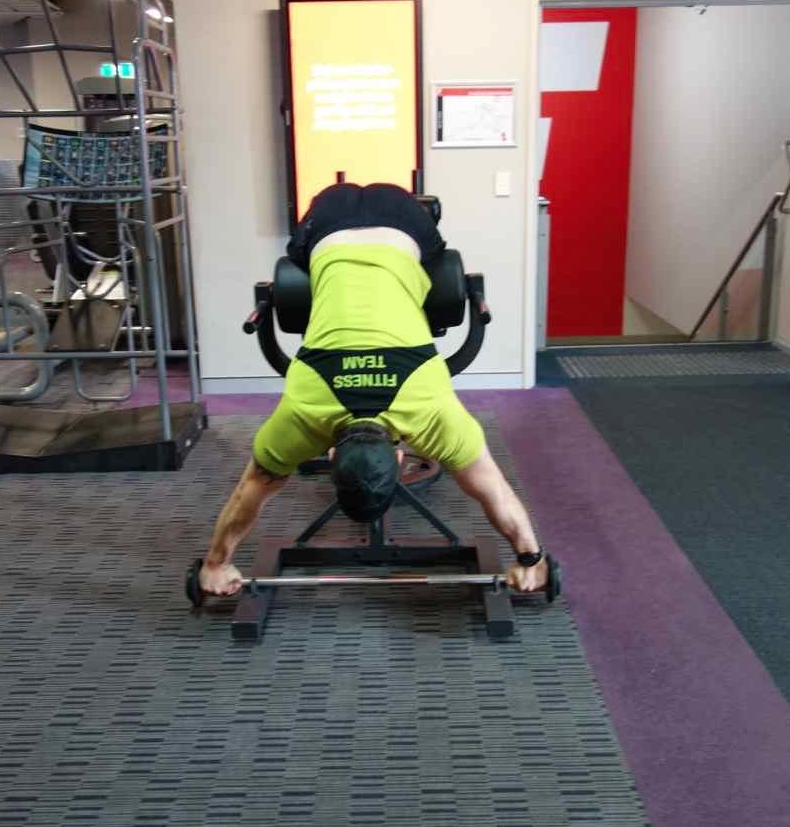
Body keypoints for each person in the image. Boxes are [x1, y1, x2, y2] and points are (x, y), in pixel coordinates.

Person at [197, 182, 552, 596]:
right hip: (350, 218)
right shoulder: (304, 409)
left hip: (384, 218)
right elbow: (494, 491)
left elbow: (248, 494)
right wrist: (530, 558)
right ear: (401, 458)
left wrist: (532, 558)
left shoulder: (431, 408)